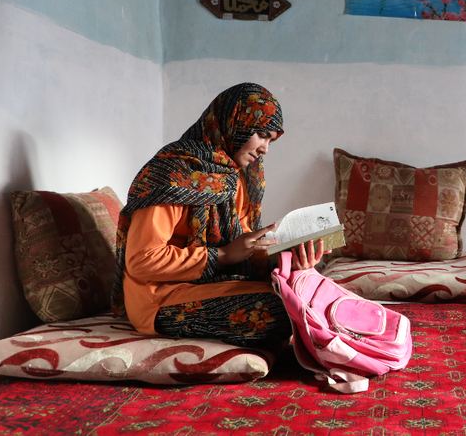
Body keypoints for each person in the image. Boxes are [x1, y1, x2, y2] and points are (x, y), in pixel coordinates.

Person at [110, 82, 326, 346]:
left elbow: (241, 247)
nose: (265, 149)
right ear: (234, 124)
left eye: (271, 140)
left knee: (307, 295)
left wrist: (289, 258)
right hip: (160, 296)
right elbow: (141, 261)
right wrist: (222, 256)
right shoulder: (174, 173)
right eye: (261, 135)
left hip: (214, 283)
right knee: (281, 310)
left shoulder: (240, 175)